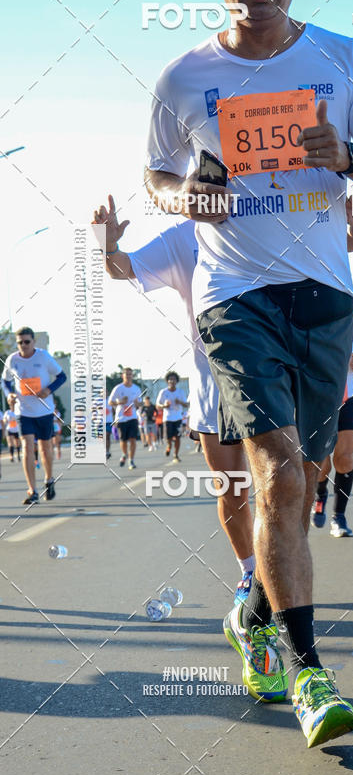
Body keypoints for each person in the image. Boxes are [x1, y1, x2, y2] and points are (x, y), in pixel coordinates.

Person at [144, 0, 353, 746]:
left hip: (324, 295)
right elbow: (156, 177)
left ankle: (254, 614)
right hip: (236, 297)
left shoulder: (344, 57)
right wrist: (189, 196)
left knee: (297, 479)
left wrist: (350, 161)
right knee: (284, 476)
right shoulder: (182, 77)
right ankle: (308, 672)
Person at [93, 197, 255, 605]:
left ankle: (279, 570)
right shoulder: (185, 235)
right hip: (212, 389)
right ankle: (251, 573)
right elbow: (122, 268)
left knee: (278, 490)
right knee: (233, 491)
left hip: (273, 384)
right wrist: (107, 245)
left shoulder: (270, 219)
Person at [312, 314, 353, 536]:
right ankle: (320, 495)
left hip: (350, 396)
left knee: (344, 458)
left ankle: (339, 517)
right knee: (321, 462)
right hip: (321, 397)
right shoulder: (313, 314)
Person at [1, 327, 66, 503]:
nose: (23, 345)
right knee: (27, 447)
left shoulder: (43, 357)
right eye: (20, 342)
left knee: (45, 448)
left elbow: (62, 376)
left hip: (44, 410)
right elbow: (5, 381)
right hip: (23, 411)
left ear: (33, 342)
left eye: (27, 342)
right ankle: (32, 490)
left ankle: (49, 479)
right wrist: (10, 395)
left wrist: (48, 390)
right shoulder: (12, 359)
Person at [108, 368, 142, 470]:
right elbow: (110, 402)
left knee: (133, 439)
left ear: (132, 376)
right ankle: (124, 454)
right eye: (126, 374)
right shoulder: (118, 388)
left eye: (130, 374)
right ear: (122, 376)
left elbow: (140, 403)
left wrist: (137, 404)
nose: (128, 376)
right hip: (121, 418)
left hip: (132, 417)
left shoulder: (136, 388)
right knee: (123, 440)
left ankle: (131, 460)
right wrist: (120, 402)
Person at [156, 372, 188, 462]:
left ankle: (176, 455)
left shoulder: (180, 392)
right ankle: (169, 446)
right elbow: (157, 405)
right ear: (167, 381)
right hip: (167, 419)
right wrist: (164, 406)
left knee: (178, 437)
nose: (172, 381)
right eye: (170, 379)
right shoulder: (163, 392)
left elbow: (186, 405)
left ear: (177, 381)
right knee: (168, 438)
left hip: (178, 418)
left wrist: (180, 402)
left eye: (174, 379)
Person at [3, 394, 21, 463]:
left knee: (17, 443)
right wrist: (7, 420)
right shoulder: (7, 412)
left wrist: (15, 420)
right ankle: (11, 456)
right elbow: (4, 420)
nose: (12, 406)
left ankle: (18, 455)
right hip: (9, 429)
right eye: (11, 405)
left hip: (16, 429)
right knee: (10, 443)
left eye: (13, 405)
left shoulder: (17, 412)